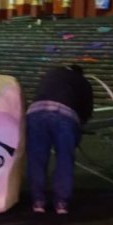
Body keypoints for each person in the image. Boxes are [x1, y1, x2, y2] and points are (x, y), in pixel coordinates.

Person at [26, 64, 93, 215]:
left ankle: (38, 201)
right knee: (64, 158)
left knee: (37, 158)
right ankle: (61, 203)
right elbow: (86, 110)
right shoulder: (82, 82)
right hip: (65, 115)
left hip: (36, 113)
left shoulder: (50, 74)